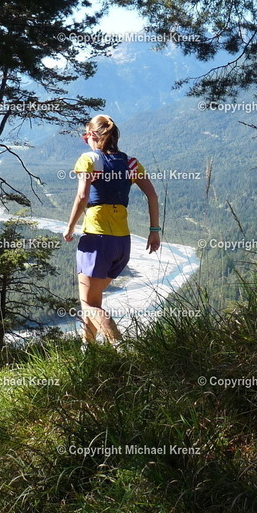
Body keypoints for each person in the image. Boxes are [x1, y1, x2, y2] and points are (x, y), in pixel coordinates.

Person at [63, 114, 160, 347]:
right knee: (94, 301)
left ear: (93, 136)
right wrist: (154, 230)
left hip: (96, 240)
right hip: (122, 243)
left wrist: (70, 227)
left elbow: (82, 196)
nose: (85, 140)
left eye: (86, 136)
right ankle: (88, 351)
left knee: (89, 304)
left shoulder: (89, 159)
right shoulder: (131, 163)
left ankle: (121, 347)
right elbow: (153, 195)